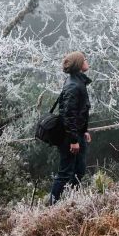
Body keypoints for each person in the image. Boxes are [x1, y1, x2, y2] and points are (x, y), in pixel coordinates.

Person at [49, 51, 92, 204]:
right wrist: (74, 139)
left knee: (78, 170)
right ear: (79, 64)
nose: (87, 61)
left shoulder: (78, 82)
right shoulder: (73, 85)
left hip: (77, 134)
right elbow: (68, 115)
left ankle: (71, 202)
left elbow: (80, 111)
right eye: (84, 59)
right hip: (69, 137)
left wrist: (84, 130)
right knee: (65, 173)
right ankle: (53, 206)